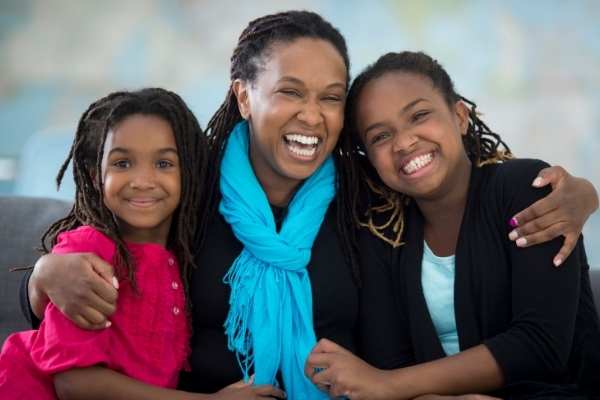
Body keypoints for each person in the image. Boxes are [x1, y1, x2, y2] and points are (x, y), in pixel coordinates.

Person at [18, 12, 599, 399]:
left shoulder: (365, 194)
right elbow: (98, 246)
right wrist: (44, 277)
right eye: (290, 92)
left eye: (329, 97)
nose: (311, 115)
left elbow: (460, 195)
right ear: (245, 96)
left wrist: (582, 195)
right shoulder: (188, 182)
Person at [305, 51, 600, 399]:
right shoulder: (382, 232)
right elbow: (389, 358)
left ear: (459, 116)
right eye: (380, 137)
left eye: (419, 115)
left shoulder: (523, 188)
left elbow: (540, 347)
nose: (404, 142)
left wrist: (387, 386)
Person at [1, 88, 284, 400]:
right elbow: (76, 385)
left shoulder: (184, 253)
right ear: (97, 176)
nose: (142, 180)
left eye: (164, 164)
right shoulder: (88, 255)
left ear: (188, 173)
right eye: (123, 163)